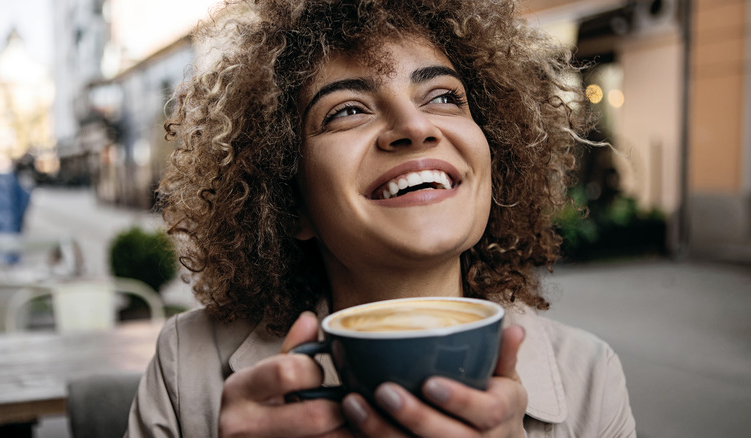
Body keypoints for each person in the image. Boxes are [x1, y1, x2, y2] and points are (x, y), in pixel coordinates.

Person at [126, 0, 636, 437]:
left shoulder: (590, 378)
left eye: (443, 97)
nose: (415, 126)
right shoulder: (183, 369)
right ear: (289, 199)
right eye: (347, 109)